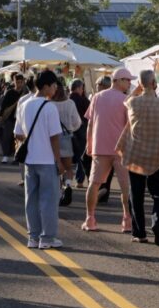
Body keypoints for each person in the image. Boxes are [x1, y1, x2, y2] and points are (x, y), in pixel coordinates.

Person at [116, 70, 159, 246]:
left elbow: (125, 100)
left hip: (135, 156)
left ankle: (139, 232)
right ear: (154, 84)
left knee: (135, 195)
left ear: (141, 84)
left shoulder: (133, 102)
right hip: (155, 157)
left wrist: (139, 89)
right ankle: (158, 222)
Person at [13, 70, 63, 249]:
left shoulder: (25, 104)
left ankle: (33, 237)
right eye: (55, 85)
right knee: (49, 200)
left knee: (31, 199)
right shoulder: (50, 107)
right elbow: (55, 138)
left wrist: (31, 140)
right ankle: (47, 237)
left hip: (29, 160)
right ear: (46, 86)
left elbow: (18, 134)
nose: (56, 89)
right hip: (47, 159)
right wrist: (59, 161)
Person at [81, 70, 133, 233]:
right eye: (128, 80)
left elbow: (90, 124)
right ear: (119, 80)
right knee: (126, 187)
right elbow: (129, 128)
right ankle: (127, 220)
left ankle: (90, 219)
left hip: (100, 147)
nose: (129, 83)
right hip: (120, 149)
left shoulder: (97, 97)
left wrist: (89, 144)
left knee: (94, 184)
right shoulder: (126, 100)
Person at [52, 80, 81, 206]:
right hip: (67, 137)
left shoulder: (49, 103)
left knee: (55, 168)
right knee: (68, 167)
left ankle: (58, 193)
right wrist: (71, 130)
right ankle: (68, 185)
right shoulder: (70, 103)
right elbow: (77, 122)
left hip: (53, 139)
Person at [0, 73, 27, 164]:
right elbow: (3, 105)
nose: (19, 84)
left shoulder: (26, 93)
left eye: (21, 82)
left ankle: (16, 155)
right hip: (10, 118)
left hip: (22, 119)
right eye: (17, 82)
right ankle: (5, 156)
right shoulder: (10, 92)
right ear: (14, 82)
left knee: (19, 138)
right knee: (7, 136)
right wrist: (1, 116)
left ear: (23, 82)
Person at [69, 79, 90, 188]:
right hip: (81, 129)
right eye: (82, 88)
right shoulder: (83, 100)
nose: (83, 90)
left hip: (68, 130)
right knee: (81, 156)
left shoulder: (66, 99)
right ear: (78, 88)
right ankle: (80, 180)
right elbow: (90, 111)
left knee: (67, 155)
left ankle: (65, 181)